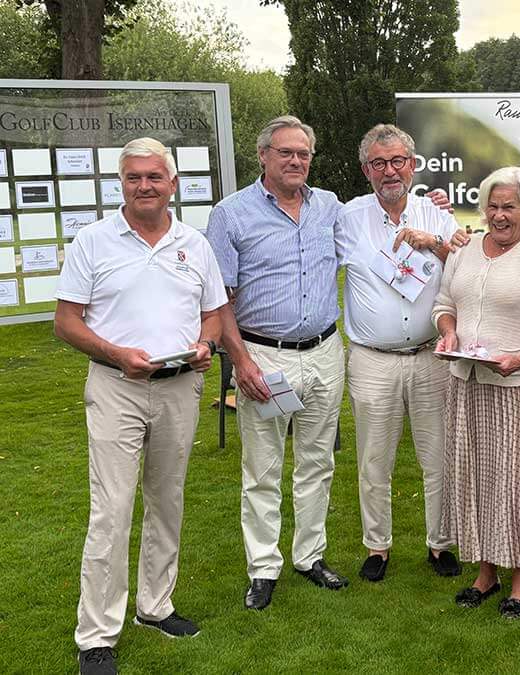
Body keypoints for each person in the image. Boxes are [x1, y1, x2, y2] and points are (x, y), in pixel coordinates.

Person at [55, 137, 227, 675]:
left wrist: (207, 344)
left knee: (166, 500)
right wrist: (115, 354)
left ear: (172, 183)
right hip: (116, 385)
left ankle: (156, 606)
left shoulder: (194, 242)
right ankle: (96, 635)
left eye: (155, 176)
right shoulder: (93, 241)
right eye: (134, 177)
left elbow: (213, 313)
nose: (145, 186)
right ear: (121, 183)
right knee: (111, 509)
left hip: (179, 386)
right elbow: (66, 321)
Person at [206, 116, 348, 610]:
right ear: (263, 155)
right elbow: (218, 299)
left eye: (303, 153)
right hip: (264, 356)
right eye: (285, 152)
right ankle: (263, 567)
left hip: (325, 352)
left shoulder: (328, 206)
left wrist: (431, 209)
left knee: (318, 462)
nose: (295, 161)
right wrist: (240, 362)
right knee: (263, 469)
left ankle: (310, 556)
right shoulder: (231, 214)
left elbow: (380, 227)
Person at [433, 166, 520, 619]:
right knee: (473, 477)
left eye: (509, 206)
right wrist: (448, 332)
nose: (499, 215)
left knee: (513, 483)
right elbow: (444, 305)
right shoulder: (464, 249)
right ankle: (485, 573)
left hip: (517, 389)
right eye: (492, 206)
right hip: (465, 383)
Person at [336, 124, 467, 582]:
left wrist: (434, 243)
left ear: (412, 165)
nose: (389, 171)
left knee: (439, 458)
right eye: (379, 163)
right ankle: (377, 546)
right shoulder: (347, 218)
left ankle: (440, 543)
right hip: (373, 358)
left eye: (397, 161)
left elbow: (467, 268)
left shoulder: (437, 214)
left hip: (432, 355)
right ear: (366, 170)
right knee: (374, 461)